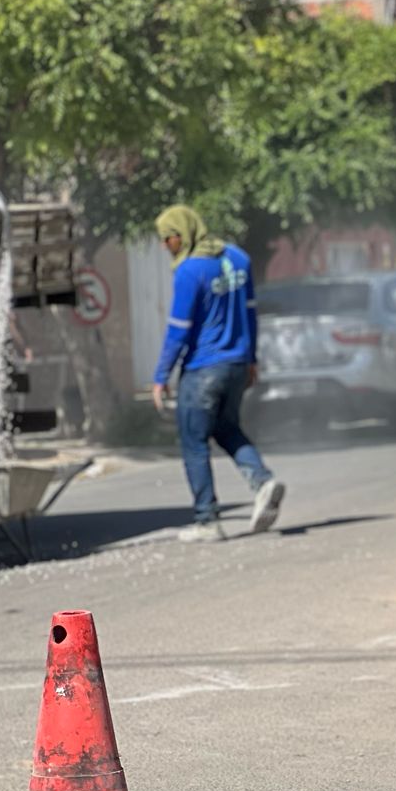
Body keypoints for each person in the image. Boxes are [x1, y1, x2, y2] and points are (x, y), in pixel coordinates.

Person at [151, 206, 284, 543]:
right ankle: (263, 481)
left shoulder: (189, 271)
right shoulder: (239, 258)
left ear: (184, 232)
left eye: (170, 237)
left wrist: (161, 375)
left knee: (193, 440)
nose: (167, 245)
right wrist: (251, 358)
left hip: (203, 368)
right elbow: (251, 314)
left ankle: (207, 519)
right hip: (238, 364)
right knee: (226, 428)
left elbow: (179, 330)